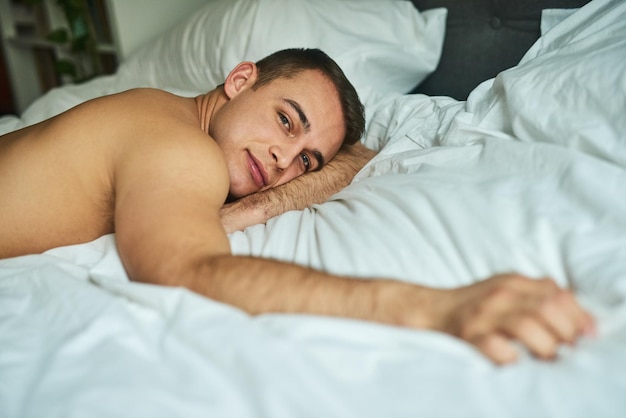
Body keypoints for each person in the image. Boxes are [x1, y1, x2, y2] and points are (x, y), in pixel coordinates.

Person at [0, 48, 594, 365]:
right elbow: (189, 271)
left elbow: (357, 156)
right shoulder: (180, 150)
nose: (284, 159)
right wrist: (431, 306)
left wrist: (251, 211)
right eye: (286, 118)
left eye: (306, 159)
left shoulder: (161, 113)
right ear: (239, 79)